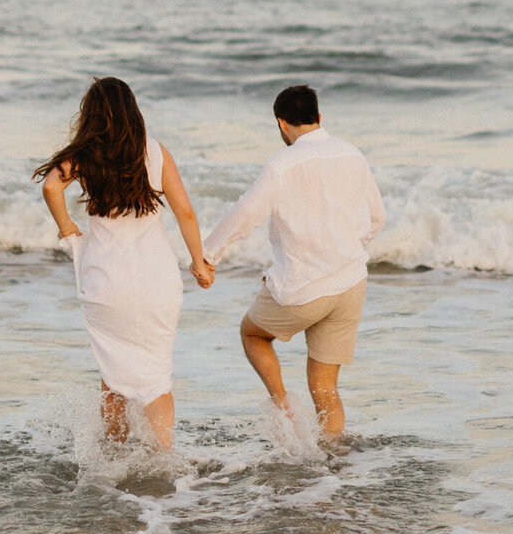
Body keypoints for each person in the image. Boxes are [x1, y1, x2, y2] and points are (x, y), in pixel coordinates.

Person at [34, 77, 213, 449]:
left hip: (105, 280)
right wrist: (199, 262)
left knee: (112, 376)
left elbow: (50, 187)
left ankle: (114, 457)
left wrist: (67, 228)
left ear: (92, 116)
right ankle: (165, 457)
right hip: (157, 279)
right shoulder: (156, 152)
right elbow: (186, 213)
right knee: (157, 377)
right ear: (133, 111)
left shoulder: (85, 154)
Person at [203, 84, 386, 438]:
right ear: (319, 118)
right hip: (350, 283)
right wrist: (345, 247)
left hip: (304, 286)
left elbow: (246, 213)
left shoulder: (283, 163)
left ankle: (284, 408)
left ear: (281, 124)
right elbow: (377, 217)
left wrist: (208, 256)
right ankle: (334, 466)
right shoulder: (352, 154)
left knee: (252, 334)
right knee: (325, 387)